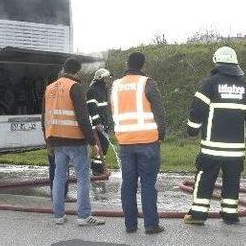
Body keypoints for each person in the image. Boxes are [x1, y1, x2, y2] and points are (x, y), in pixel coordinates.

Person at [183, 46, 246, 225]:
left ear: (216, 62)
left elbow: (197, 110)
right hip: (236, 150)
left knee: (205, 179)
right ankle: (230, 214)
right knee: (232, 181)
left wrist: (192, 130)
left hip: (212, 148)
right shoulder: (244, 87)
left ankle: (198, 215)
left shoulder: (210, 83)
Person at [42, 57, 105, 226]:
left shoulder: (49, 88)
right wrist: (93, 143)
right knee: (83, 178)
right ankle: (84, 216)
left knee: (58, 177)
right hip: (75, 140)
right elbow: (83, 118)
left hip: (55, 140)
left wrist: (47, 141)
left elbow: (44, 117)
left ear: (63, 69)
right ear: (77, 71)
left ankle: (58, 215)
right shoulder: (75, 87)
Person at [111, 52, 166, 234]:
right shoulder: (147, 83)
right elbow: (159, 111)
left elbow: (114, 112)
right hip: (148, 141)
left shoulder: (116, 86)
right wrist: (161, 135)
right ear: (142, 65)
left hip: (125, 142)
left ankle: (130, 225)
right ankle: (151, 225)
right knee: (148, 184)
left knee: (128, 184)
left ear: (127, 64)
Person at [87, 68, 114, 176]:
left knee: (104, 146)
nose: (108, 80)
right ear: (100, 78)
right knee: (100, 147)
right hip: (98, 125)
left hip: (104, 122)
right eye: (106, 78)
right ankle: (97, 170)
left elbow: (105, 107)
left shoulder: (103, 89)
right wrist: (97, 123)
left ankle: (100, 168)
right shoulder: (92, 90)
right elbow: (92, 108)